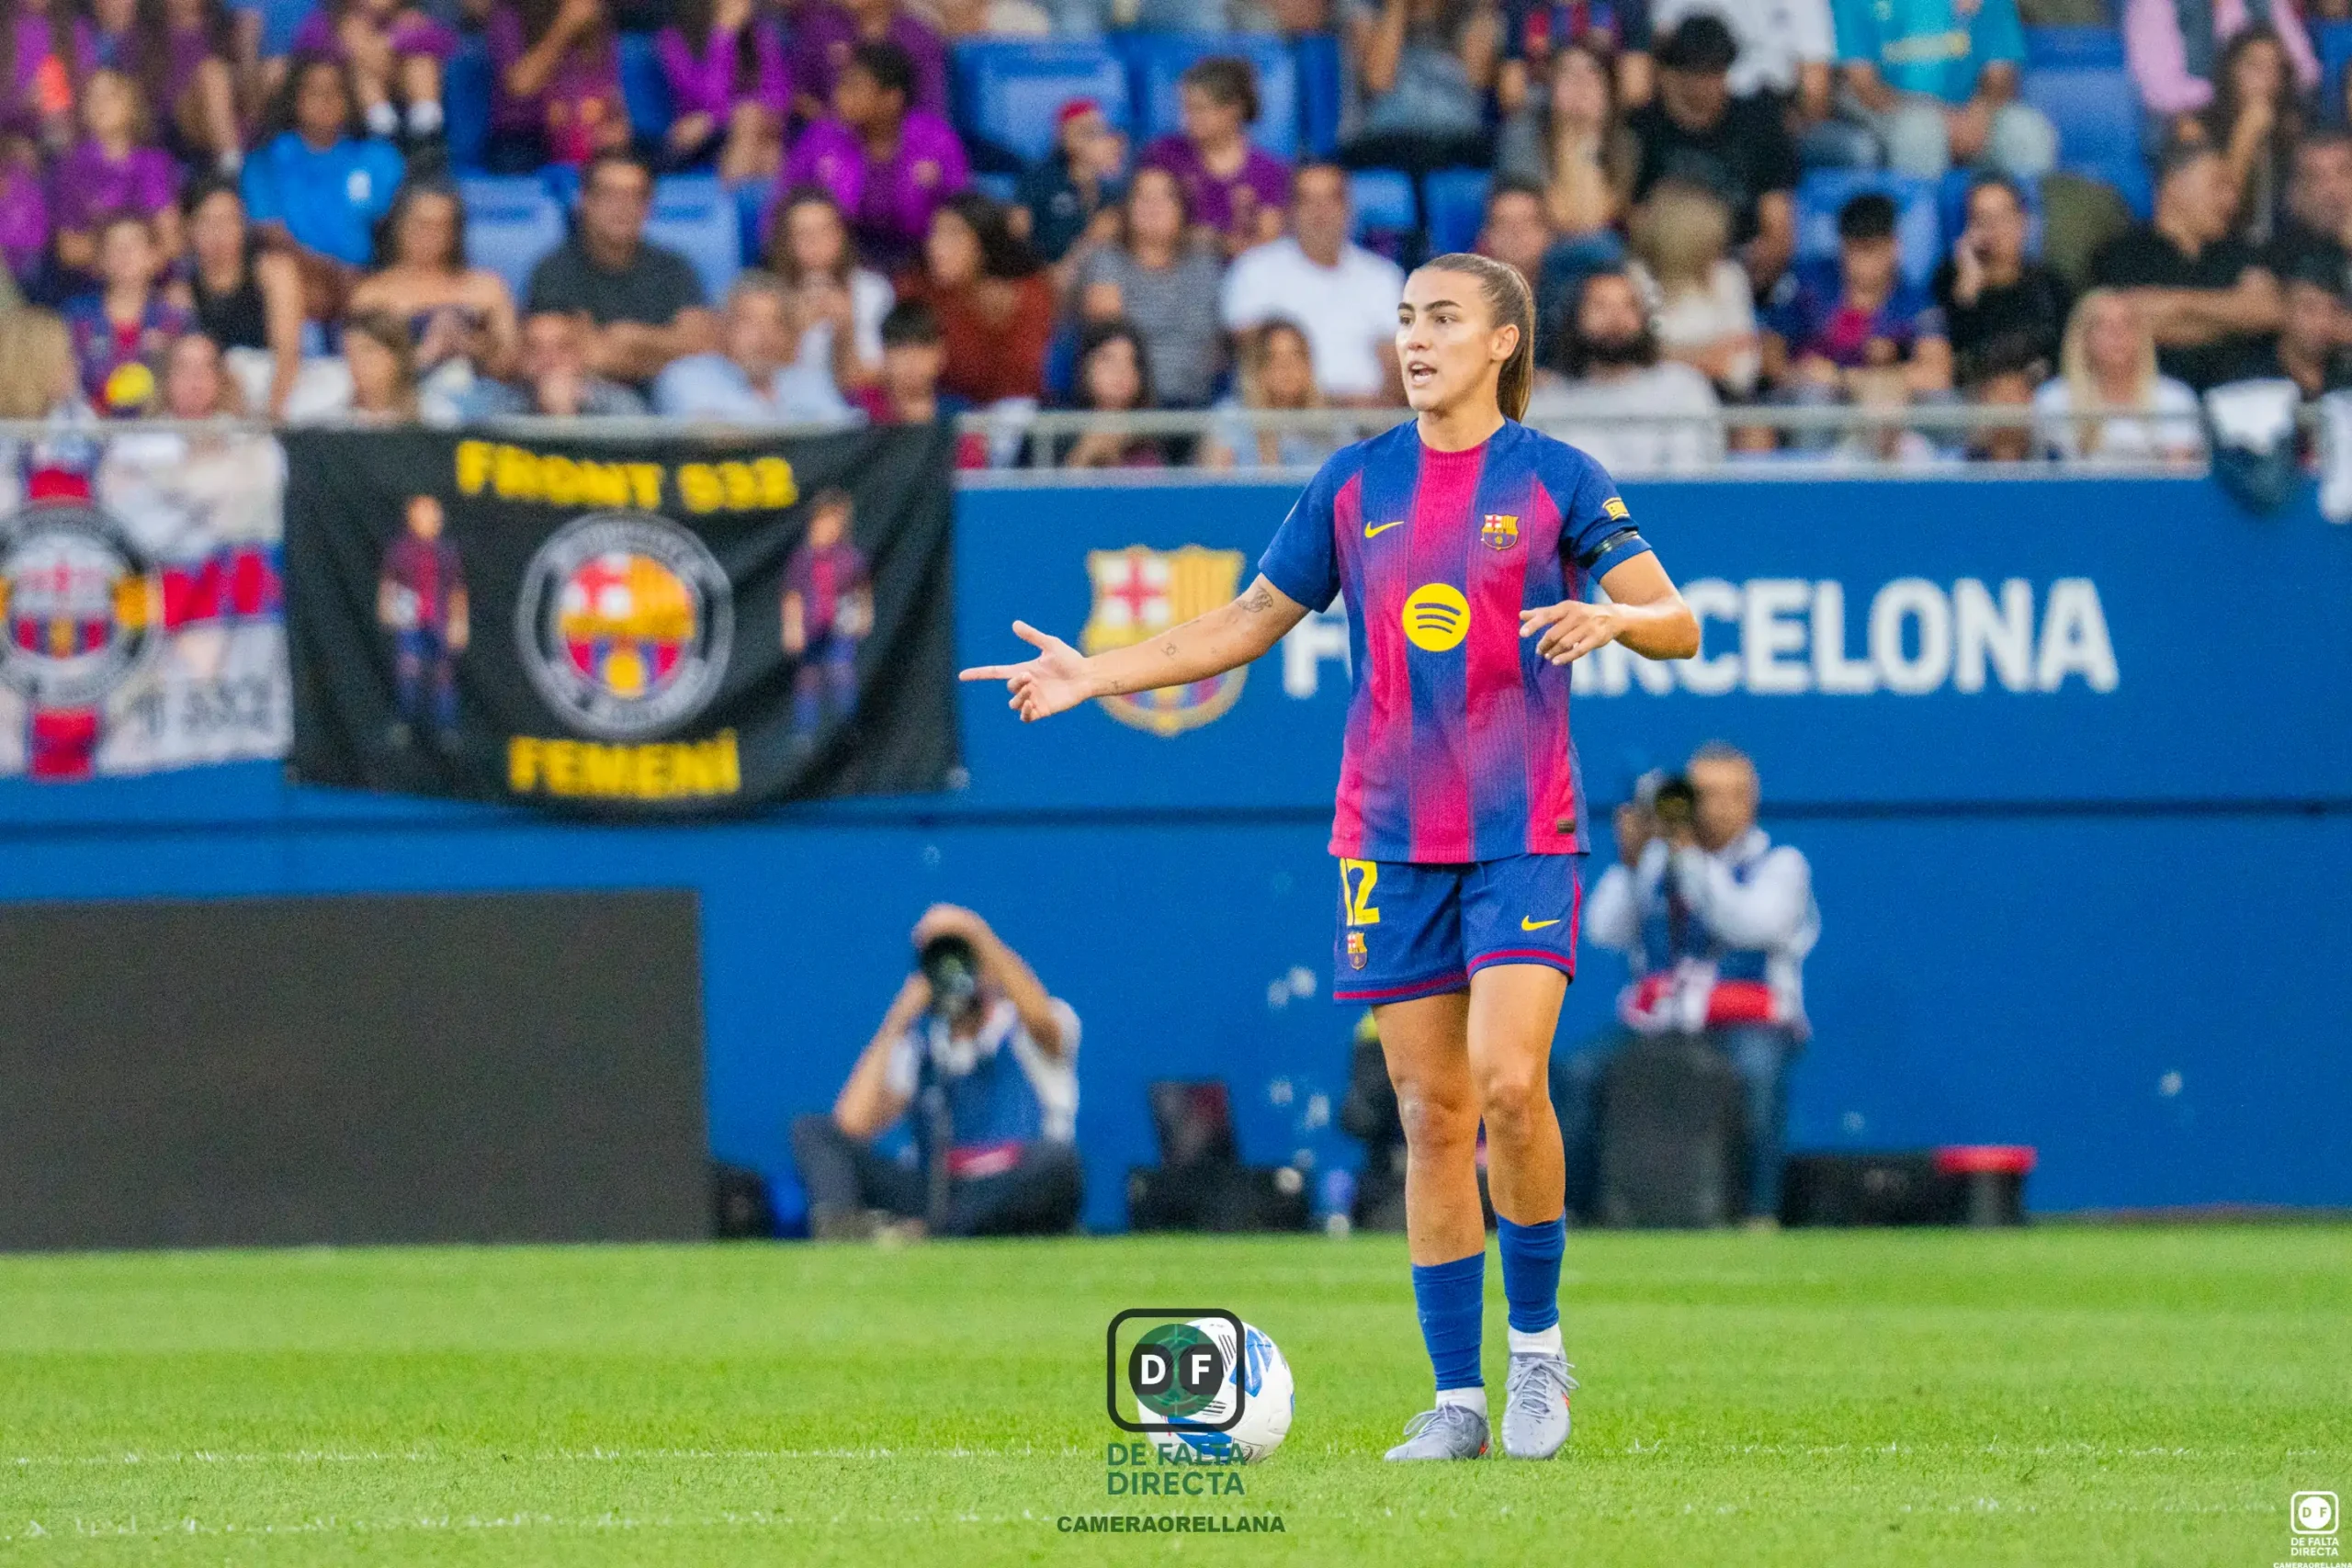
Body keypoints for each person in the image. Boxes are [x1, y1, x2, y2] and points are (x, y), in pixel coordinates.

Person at [964, 251, 1701, 1462]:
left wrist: (1621, 614)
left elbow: (1679, 621)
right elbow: (1247, 619)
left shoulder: (1560, 479)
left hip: (1521, 832)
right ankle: (1456, 1396)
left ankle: (1539, 1351)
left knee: (1511, 1086)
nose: (1417, 337)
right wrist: (1098, 670)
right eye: (1407, 317)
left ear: (1503, 342)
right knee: (1430, 1107)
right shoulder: (1356, 483)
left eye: (1445, 318)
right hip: (1388, 839)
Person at [1572, 748, 1819, 1225]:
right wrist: (1630, 862)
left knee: (1758, 1079)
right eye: (1707, 795)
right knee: (1579, 1073)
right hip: (1663, 1017)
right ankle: (1578, 1209)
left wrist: (1689, 858)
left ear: (1753, 801)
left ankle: (1759, 1212)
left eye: (1735, 795)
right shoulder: (1655, 862)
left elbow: (1749, 924)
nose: (1721, 807)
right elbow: (1603, 931)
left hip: (1750, 1018)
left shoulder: (1781, 864)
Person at [788, 904, 1083, 1242]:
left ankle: (925, 1234)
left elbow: (1042, 1020)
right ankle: (843, 1233)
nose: (955, 973)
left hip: (1013, 1177)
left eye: (963, 959)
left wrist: (975, 932)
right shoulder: (922, 1050)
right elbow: (851, 1124)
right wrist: (898, 1020)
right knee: (812, 1131)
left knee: (1059, 1163)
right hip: (941, 1190)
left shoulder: (1028, 1030)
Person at [2088, 141, 2282, 391]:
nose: (2230, 200)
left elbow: (2269, 311)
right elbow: (2127, 324)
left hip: (2238, 403)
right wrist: (2232, 318)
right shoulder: (2121, 253)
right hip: (2153, 406)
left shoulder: (2240, 251)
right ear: (2174, 185)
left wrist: (2178, 304)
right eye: (2218, 186)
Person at [1624, 16, 1797, 293]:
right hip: (1664, 267)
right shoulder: (1645, 127)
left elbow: (1777, 223)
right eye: (1697, 72)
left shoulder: (1760, 124)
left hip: (1740, 263)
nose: (1706, 84)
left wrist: (1757, 262)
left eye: (1715, 72)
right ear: (1674, 73)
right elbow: (1634, 218)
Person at [526, 150, 719, 387]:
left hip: (671, 396)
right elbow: (583, 356)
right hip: (588, 395)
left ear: (649, 206)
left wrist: (632, 337)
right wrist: (666, 348)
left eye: (634, 196)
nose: (623, 206)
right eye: (610, 195)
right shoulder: (554, 271)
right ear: (584, 201)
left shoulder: (674, 267)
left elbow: (702, 346)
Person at [778, 39, 969, 276]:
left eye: (854, 88)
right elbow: (786, 201)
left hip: (919, 258)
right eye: (841, 85)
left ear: (891, 99)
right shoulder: (822, 137)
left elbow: (962, 208)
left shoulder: (936, 141)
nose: (840, 96)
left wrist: (935, 187)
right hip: (841, 259)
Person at [1222, 162, 1407, 403]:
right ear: (1290, 211)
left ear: (1349, 208)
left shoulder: (1384, 276)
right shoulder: (1254, 269)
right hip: (1283, 420)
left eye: (1331, 199)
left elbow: (1399, 365)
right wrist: (1324, 404)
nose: (1320, 211)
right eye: (1307, 200)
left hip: (1366, 422)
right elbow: (1252, 359)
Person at [1824, 0, 2056, 180]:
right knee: (1921, 131)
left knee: (2028, 133)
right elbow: (1862, 84)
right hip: (1891, 111)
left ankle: (2028, 238)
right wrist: (1940, 118)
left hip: (1973, 110)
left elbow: (2001, 71)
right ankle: (1921, 236)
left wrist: (1981, 112)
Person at [241, 52, 404, 309]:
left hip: (368, 281)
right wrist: (334, 275)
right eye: (314, 91)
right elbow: (272, 236)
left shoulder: (380, 158)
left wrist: (364, 281)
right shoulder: (265, 161)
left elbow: (394, 235)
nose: (326, 100)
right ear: (294, 99)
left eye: (335, 90)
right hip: (302, 281)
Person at [1524, 267, 1723, 473]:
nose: (1615, 319)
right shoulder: (1546, 401)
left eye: (1629, 306)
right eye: (1600, 306)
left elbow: (1693, 476)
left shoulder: (1682, 388)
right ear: (1575, 317)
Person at [1762, 191, 1952, 401]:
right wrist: (1795, 374)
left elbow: (1937, 373)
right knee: (1814, 395)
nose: (1862, 263)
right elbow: (1771, 351)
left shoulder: (1915, 301)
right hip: (1808, 398)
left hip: (1885, 402)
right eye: (1853, 250)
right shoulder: (1807, 284)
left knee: (1934, 401)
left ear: (1894, 246)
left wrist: (1843, 378)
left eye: (1871, 250)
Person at [349, 177, 522, 396]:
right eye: (422, 224)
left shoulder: (487, 288)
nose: (430, 236)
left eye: (442, 225)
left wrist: (470, 346)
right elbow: (362, 370)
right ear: (401, 225)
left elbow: (513, 364)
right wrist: (426, 354)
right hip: (402, 407)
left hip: (480, 407)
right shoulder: (372, 295)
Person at [1072, 165, 1224, 409]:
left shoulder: (1205, 264)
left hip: (1199, 404)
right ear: (1126, 208)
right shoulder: (1106, 260)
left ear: (1183, 209)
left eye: (1166, 196)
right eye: (1142, 196)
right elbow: (1109, 339)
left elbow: (1216, 343)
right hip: (1129, 407)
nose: (1154, 205)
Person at [894, 191, 1052, 405]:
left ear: (984, 244)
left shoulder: (1027, 292)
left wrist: (996, 325)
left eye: (953, 235)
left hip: (1007, 413)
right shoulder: (915, 288)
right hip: (937, 409)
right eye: (934, 234)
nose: (937, 247)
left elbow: (1021, 384)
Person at [1493, 41, 1634, 268]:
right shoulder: (1523, 135)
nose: (1580, 85)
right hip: (1539, 256)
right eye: (1568, 74)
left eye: (1592, 74)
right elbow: (1556, 216)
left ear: (1609, 90)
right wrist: (1571, 136)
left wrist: (1588, 139)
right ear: (1551, 87)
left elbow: (1604, 216)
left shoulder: (1623, 144)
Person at [175, 175, 306, 419]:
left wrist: (273, 411)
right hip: (213, 402)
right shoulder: (181, 293)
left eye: (228, 221)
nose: (219, 233)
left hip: (272, 389)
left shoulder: (275, 273)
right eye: (208, 222)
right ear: (190, 229)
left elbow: (288, 352)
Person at [651, 270, 854, 422]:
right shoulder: (685, 377)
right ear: (724, 330)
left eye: (776, 323)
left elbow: (843, 439)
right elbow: (709, 438)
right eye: (750, 322)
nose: (764, 336)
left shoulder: (810, 381)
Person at [2031, 287, 2205, 462]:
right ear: (2083, 339)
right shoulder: (2053, 400)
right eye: (2103, 326)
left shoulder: (2175, 399)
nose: (2117, 334)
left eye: (2127, 325)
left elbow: (2178, 480)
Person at [1138, 55, 1288, 256]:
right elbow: (1143, 224)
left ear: (1233, 110)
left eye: (1199, 109)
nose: (1186, 120)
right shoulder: (1164, 155)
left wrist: (1216, 241)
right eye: (1185, 108)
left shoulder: (1268, 171)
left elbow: (1268, 242)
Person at [1626, 177, 1758, 399]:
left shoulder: (1728, 277)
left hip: (1719, 399)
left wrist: (1670, 355)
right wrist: (1705, 355)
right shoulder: (1637, 278)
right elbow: (1632, 361)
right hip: (1648, 400)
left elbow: (1742, 368)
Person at [1933, 174, 2071, 382]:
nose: (1994, 229)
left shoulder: (2050, 285)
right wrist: (1968, 287)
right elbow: (1951, 356)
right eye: (1982, 219)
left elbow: (2062, 352)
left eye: (2003, 217)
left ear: (2022, 221)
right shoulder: (1948, 280)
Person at [2178, 26, 2303, 246]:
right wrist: (2245, 135)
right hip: (2220, 245)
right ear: (2231, 70)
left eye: (2277, 68)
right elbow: (2212, 208)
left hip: (2280, 244)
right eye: (2255, 66)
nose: (2268, 78)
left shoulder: (2290, 128)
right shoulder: (2195, 126)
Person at [48, 66, 179, 276]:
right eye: (93, 97)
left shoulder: (154, 163)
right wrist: (118, 260)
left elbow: (171, 241)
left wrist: (135, 266)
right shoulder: (72, 167)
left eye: (110, 95)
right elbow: (68, 247)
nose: (101, 104)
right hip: (95, 283)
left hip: (151, 280)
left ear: (131, 103)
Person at [1342, 0, 1502, 173]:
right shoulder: (1366, 8)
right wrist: (1397, 8)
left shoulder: (1473, 11)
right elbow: (1378, 81)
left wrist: (1477, 9)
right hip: (1388, 143)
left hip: (1458, 143)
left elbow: (1476, 80)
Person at [62, 209, 191, 415]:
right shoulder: (76, 317)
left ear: (153, 256)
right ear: (100, 259)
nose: (125, 253)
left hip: (160, 431)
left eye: (134, 245)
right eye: (115, 247)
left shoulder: (175, 319)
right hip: (91, 430)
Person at [766, 186, 890, 393]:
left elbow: (871, 381)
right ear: (786, 244)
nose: (815, 243)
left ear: (841, 235)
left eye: (825, 230)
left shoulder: (874, 291)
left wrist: (845, 331)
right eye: (803, 234)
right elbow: (762, 385)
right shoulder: (768, 297)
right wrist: (794, 331)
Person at [288, 0, 457, 151]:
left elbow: (447, 44)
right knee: (362, 74)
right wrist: (352, 46)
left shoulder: (410, 18)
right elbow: (306, 48)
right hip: (356, 110)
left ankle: (426, 139)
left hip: (407, 101)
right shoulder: (332, 20)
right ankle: (384, 137)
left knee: (421, 62)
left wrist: (389, 43)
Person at [2122, 0, 2318, 128]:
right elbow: (2160, 93)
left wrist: (2263, 91)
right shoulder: (2155, 4)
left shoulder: (2264, 3)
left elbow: (2307, 70)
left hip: (2265, 111)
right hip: (2193, 121)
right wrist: (2234, 95)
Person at [486, 0, 628, 171]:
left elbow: (612, 90)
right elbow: (522, 85)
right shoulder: (508, 16)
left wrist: (617, 128)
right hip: (527, 136)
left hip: (587, 136)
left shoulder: (597, 16)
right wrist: (565, 25)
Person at [654, 0, 786, 178]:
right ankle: (730, 202)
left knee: (771, 150)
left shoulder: (761, 34)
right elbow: (707, 99)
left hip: (722, 124)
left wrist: (715, 119)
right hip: (698, 139)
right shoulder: (673, 39)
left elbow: (779, 100)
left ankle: (739, 203)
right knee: (751, 122)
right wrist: (724, 36)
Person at [376, 491, 465, 748]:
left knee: (443, 675)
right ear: (411, 517)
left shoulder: (447, 551)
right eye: (423, 513)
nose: (429, 519)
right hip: (410, 621)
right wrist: (386, 608)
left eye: (433, 513)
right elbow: (389, 582)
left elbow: (457, 589)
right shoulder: (400, 550)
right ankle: (404, 723)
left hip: (440, 620)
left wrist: (459, 623)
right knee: (408, 672)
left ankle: (446, 728)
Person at [780, 485, 871, 735]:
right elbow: (793, 596)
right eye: (823, 520)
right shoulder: (802, 558)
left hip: (840, 628)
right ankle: (805, 735)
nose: (829, 527)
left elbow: (863, 589)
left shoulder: (850, 557)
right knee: (808, 678)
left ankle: (848, 732)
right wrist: (792, 628)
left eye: (835, 521)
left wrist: (864, 615)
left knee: (841, 672)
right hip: (810, 628)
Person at [1201, 317, 1349, 469]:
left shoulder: (1333, 424)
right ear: (1256, 367)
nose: (1286, 368)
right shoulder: (1232, 418)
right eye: (1273, 358)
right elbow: (1212, 486)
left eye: (1296, 356)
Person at [785, 0, 948, 127]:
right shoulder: (820, 28)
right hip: (831, 142)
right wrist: (836, 125)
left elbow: (930, 107)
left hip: (898, 144)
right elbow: (799, 94)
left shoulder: (919, 37)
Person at [458, 307, 648, 415]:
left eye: (562, 348)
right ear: (522, 358)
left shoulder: (622, 406)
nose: (549, 360)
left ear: (580, 355)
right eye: (536, 349)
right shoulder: (498, 409)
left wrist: (566, 416)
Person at [125, 0, 243, 171]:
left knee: (213, 74)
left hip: (229, 127)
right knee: (211, 75)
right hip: (170, 134)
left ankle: (231, 165)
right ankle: (233, 171)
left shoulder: (226, 30)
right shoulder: (141, 38)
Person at [1016, 96, 1123, 269]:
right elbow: (1018, 233)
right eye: (1084, 131)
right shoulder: (1039, 179)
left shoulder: (1111, 189)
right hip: (1045, 273)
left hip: (1098, 276)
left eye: (1097, 131)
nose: (1092, 138)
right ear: (1062, 135)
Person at [2267, 130, 2352, 299]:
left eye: (2344, 173)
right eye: (2316, 178)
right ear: (2295, 192)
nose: (2332, 189)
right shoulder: (2280, 256)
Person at [0, 0, 94, 149]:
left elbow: (92, 101)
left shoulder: (77, 31)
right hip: (11, 146)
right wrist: (20, 105)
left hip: (70, 146)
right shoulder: (6, 29)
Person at [1961, 330, 2043, 461]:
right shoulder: (1958, 467)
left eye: (2016, 394)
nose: (2009, 406)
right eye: (2001, 395)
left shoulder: (2054, 465)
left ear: (2031, 398)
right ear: (1984, 398)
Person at [333, 307, 423, 422]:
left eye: (368, 350)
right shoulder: (334, 424)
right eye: (349, 354)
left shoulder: (435, 417)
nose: (357, 362)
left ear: (396, 355)